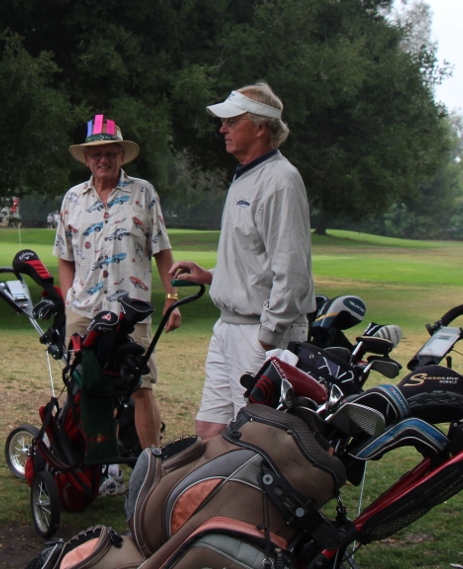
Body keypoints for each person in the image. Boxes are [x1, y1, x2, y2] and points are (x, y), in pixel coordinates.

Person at [170, 82, 314, 440]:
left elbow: (292, 273)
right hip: (228, 328)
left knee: (253, 439)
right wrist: (211, 276)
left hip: (259, 332)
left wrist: (266, 338)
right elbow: (258, 260)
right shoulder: (247, 176)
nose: (223, 129)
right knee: (211, 429)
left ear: (261, 127)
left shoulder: (280, 181)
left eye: (232, 122)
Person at [54, 115, 179, 452]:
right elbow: (64, 256)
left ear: (121, 155)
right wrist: (69, 300)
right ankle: (102, 462)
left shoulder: (143, 193)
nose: (103, 160)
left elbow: (162, 249)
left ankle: (152, 463)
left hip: (130, 312)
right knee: (88, 387)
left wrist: (171, 296)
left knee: (140, 387)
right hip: (84, 311)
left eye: (110, 153)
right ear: (86, 158)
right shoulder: (73, 200)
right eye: (96, 154)